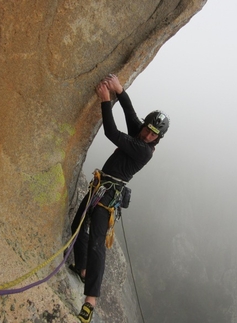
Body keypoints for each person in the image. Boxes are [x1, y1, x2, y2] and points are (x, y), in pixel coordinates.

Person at [70, 74, 170, 323]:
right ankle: (82, 270)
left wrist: (106, 100)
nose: (148, 135)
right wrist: (119, 91)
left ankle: (90, 301)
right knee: (77, 226)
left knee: (96, 243)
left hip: (108, 197)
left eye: (154, 134)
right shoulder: (141, 133)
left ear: (158, 139)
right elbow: (130, 115)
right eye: (148, 129)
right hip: (100, 188)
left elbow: (112, 132)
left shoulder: (144, 150)